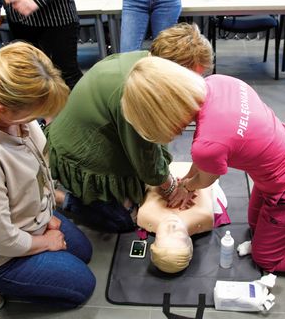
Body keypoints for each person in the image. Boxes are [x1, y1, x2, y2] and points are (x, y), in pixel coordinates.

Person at [121, 56, 285, 280]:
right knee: (255, 224)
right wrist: (184, 182)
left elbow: (205, 177)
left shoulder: (208, 144)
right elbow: (204, 162)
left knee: (268, 258)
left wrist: (186, 186)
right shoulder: (219, 82)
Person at [0, 42, 95, 315]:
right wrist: (45, 242)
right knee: (81, 287)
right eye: (35, 115)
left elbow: (34, 175)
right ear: (2, 109)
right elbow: (0, 240)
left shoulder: (6, 113)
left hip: (25, 224)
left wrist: (45, 215)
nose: (39, 120)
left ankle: (33, 258)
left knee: (83, 252)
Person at [46, 23, 213, 234]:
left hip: (88, 137)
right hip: (76, 156)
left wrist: (166, 178)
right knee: (124, 220)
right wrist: (171, 187)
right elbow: (145, 154)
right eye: (190, 79)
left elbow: (150, 145)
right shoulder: (134, 92)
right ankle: (57, 196)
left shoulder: (144, 61)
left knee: (146, 189)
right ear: (171, 73)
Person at [138, 162, 230, 273]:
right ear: (190, 242)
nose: (172, 226)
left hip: (162, 166)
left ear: (153, 243)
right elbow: (207, 182)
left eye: (165, 235)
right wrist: (189, 187)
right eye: (178, 235)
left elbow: (150, 185)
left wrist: (172, 186)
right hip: (199, 168)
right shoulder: (203, 216)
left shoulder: (145, 215)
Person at [1, 0, 82, 89]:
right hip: (18, 18)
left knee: (64, 75)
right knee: (27, 75)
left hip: (55, 19)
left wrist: (36, 1)